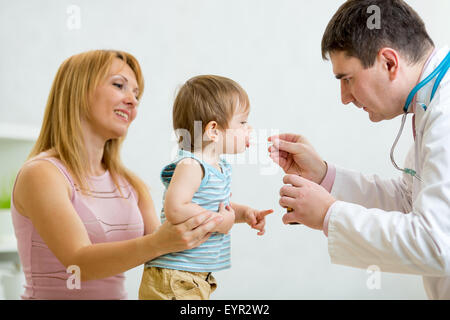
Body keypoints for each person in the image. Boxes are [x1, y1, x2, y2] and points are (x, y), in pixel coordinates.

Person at [269, 0, 450, 299]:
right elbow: (410, 202)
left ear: (389, 63)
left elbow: (436, 242)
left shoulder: (444, 113)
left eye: (348, 79)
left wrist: (328, 214)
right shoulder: (430, 102)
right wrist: (325, 177)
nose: (344, 97)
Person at [11, 50, 224, 299]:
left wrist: (217, 210)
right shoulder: (42, 174)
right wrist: (160, 242)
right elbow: (78, 264)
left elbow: (168, 253)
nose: (132, 101)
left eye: (136, 94)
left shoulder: (130, 186)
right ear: (77, 90)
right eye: (119, 85)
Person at [139, 75, 273, 300]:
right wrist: (220, 222)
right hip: (176, 276)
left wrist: (244, 213)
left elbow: (220, 207)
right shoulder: (191, 165)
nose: (249, 128)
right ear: (213, 131)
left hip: (194, 276)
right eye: (242, 122)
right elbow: (175, 209)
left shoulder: (219, 167)